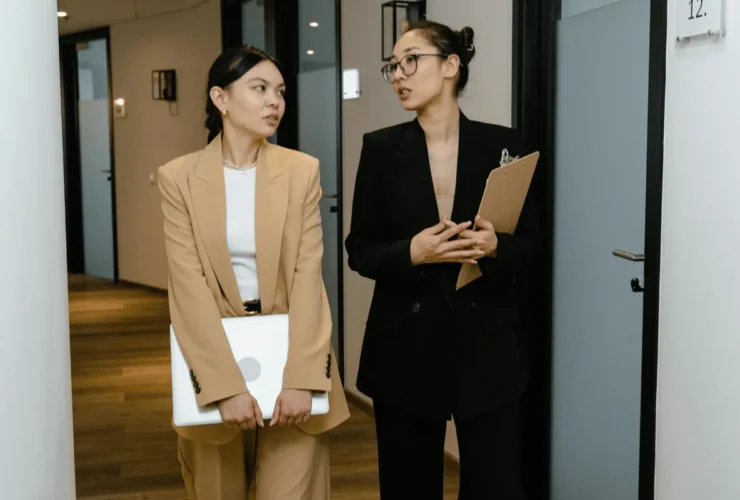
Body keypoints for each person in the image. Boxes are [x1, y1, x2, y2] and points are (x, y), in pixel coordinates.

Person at [345, 21, 539, 499]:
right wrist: (411, 252)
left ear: (451, 66)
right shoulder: (381, 148)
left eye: (411, 60)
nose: (398, 75)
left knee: (495, 485)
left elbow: (533, 245)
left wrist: (496, 248)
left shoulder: (504, 146)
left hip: (487, 347)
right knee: (408, 485)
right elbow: (359, 248)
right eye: (393, 65)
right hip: (405, 347)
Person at [158, 45, 349, 500]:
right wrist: (223, 387)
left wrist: (302, 378)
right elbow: (189, 290)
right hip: (215, 358)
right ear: (221, 99)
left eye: (280, 91)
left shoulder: (301, 171)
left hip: (291, 359)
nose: (275, 102)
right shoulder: (178, 177)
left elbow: (307, 279)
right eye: (259, 88)